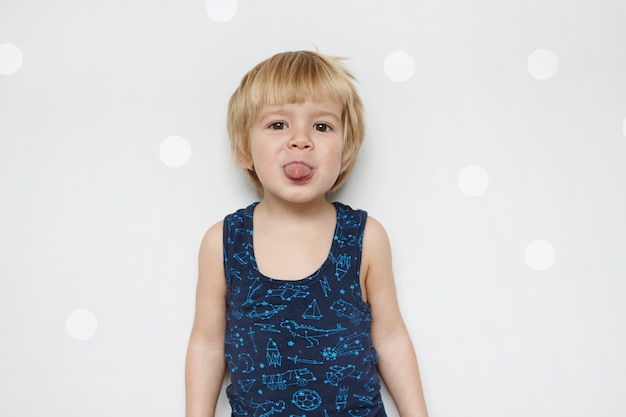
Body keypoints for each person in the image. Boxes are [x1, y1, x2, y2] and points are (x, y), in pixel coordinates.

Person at [185, 50, 428, 417]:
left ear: (345, 151)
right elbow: (205, 343)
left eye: (322, 126)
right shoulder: (223, 242)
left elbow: (391, 337)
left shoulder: (365, 238)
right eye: (278, 124)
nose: (301, 140)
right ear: (243, 150)